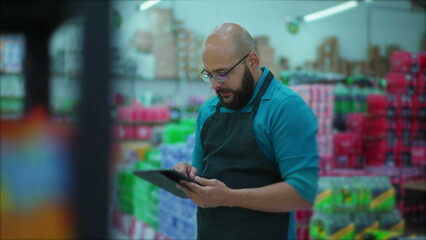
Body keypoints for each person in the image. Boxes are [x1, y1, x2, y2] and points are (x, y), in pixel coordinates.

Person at [173, 23, 319, 240]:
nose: (214, 85)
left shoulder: (285, 107)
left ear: (252, 61)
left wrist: (230, 197)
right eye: (209, 75)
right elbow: (200, 170)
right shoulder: (208, 111)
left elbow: (302, 192)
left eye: (222, 74)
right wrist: (188, 175)